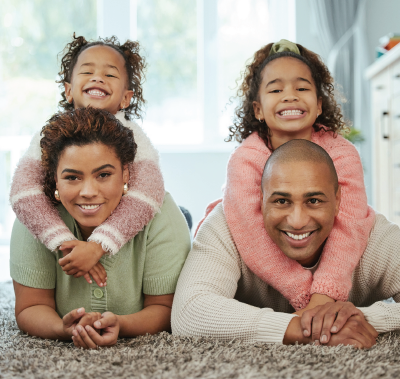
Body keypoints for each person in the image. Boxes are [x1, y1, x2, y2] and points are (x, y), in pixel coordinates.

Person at [196, 39, 374, 311]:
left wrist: (325, 293)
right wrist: (306, 298)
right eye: (276, 89)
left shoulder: (342, 153)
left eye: (302, 88)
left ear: (318, 105)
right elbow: (252, 235)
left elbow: (349, 224)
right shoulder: (246, 160)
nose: (290, 96)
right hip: (249, 255)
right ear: (258, 109)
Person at [172, 139, 400, 348]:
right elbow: (188, 311)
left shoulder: (372, 235)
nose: (297, 221)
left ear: (338, 200)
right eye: (281, 201)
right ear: (260, 199)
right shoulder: (227, 225)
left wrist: (360, 318)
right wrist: (302, 329)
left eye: (313, 201)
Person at [10, 107, 190, 349]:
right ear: (54, 179)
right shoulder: (34, 218)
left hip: (171, 225)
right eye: (72, 177)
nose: (88, 192)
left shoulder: (161, 214)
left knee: (184, 224)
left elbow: (166, 308)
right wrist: (63, 329)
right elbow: (30, 307)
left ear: (126, 173)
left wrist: (121, 324)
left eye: (103, 175)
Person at [9, 34, 164, 287]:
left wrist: (98, 245)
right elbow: (23, 191)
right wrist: (64, 243)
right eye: (87, 71)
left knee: (168, 212)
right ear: (69, 91)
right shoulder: (51, 136)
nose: (98, 78)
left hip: (122, 225)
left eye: (110, 75)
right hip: (76, 219)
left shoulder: (136, 137)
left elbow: (150, 192)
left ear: (126, 98)